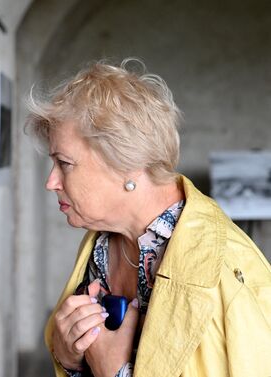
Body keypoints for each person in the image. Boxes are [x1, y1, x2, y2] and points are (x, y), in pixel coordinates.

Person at [26, 58, 271, 377]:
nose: (51, 182)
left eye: (65, 163)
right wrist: (67, 355)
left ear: (124, 163)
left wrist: (113, 372)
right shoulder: (103, 238)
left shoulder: (228, 273)